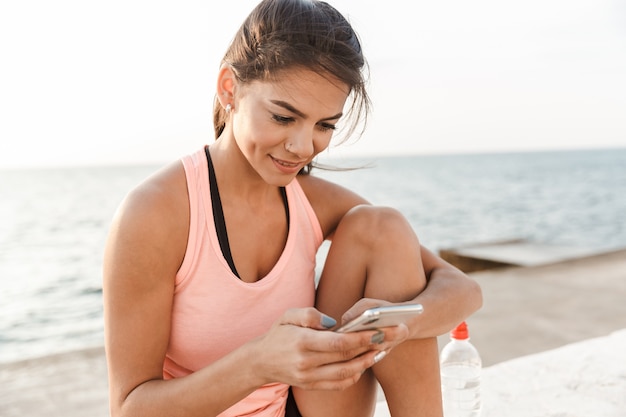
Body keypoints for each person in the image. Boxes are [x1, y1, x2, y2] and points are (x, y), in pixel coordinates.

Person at [103, 0, 482, 416]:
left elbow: (465, 290)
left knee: (382, 227)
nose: (303, 148)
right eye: (284, 117)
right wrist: (259, 361)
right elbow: (129, 409)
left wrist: (398, 324)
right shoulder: (157, 213)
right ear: (230, 88)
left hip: (305, 408)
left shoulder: (311, 200)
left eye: (324, 126)